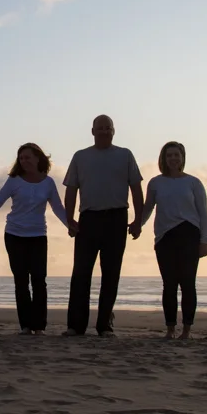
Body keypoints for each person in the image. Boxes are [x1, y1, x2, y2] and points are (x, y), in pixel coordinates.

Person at [62, 115, 144, 337]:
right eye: (100, 128)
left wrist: (138, 220)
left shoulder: (125, 155)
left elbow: (136, 189)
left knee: (111, 274)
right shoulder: (80, 157)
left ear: (114, 131)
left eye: (108, 128)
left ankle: (104, 325)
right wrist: (68, 219)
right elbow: (71, 190)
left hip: (117, 219)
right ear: (92, 131)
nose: (104, 131)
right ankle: (76, 325)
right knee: (80, 273)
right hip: (88, 220)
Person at [0, 143, 68, 335]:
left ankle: (39, 326)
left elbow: (58, 208)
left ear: (38, 158)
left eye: (27, 157)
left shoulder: (48, 182)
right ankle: (26, 326)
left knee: (39, 280)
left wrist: (71, 225)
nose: (24, 161)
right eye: (21, 158)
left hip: (38, 236)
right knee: (21, 280)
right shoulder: (14, 181)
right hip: (14, 235)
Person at [140, 141, 207, 340]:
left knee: (188, 284)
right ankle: (170, 328)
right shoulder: (155, 183)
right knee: (169, 284)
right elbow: (148, 208)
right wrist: (138, 225)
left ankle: (187, 330)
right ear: (163, 158)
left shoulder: (193, 183)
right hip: (165, 237)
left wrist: (204, 240)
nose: (173, 158)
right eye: (169, 155)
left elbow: (203, 214)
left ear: (182, 158)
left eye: (176, 155)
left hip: (189, 234)